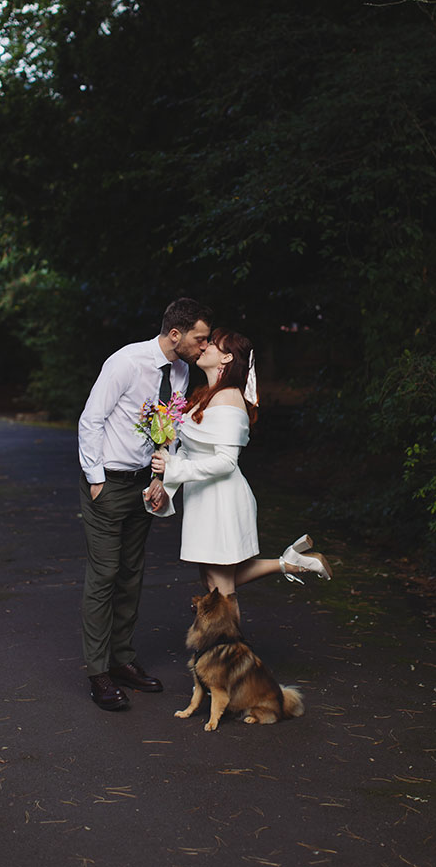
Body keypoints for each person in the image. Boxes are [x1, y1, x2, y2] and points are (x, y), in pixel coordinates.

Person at [78, 298, 213, 710]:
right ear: (175, 334)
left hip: (144, 487)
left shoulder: (181, 371)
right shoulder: (126, 362)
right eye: (200, 339)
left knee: (131, 575)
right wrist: (97, 481)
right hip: (109, 484)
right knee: (104, 575)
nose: (204, 346)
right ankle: (98, 673)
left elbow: (168, 429)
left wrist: (161, 478)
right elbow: (91, 419)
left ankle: (121, 660)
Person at [150, 328, 331, 610]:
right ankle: (290, 563)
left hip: (222, 500)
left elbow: (226, 462)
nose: (204, 346)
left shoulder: (229, 399)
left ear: (227, 358)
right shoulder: (205, 395)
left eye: (212, 344)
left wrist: (173, 467)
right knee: (210, 579)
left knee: (220, 588)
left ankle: (225, 638)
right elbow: (190, 449)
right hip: (203, 499)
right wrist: (166, 482)